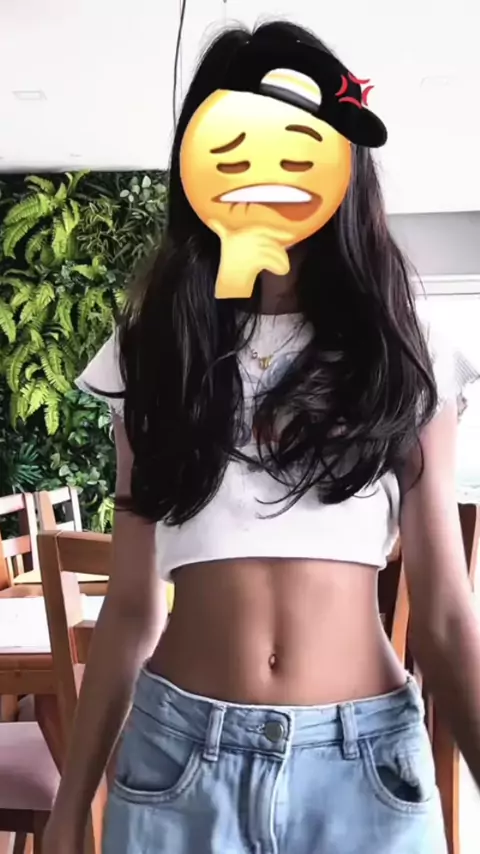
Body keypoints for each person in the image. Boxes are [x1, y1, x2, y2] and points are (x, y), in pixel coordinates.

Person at [43, 21, 480, 854]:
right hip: (177, 766)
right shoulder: (155, 348)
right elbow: (131, 606)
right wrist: (71, 803)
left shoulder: (403, 347)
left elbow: (447, 615)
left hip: (365, 774)